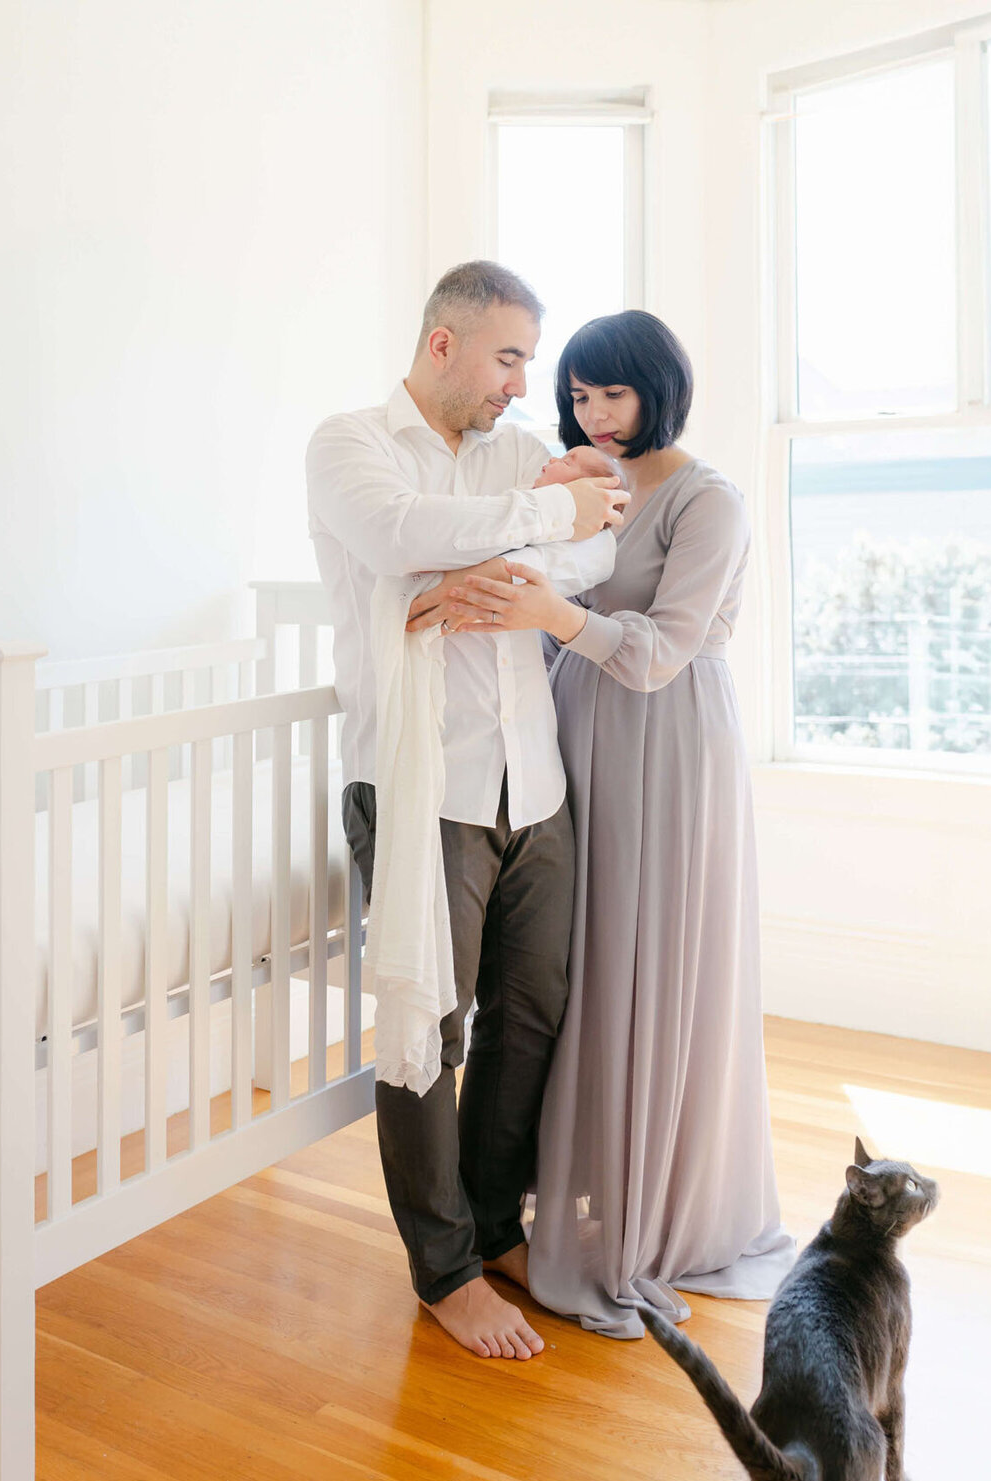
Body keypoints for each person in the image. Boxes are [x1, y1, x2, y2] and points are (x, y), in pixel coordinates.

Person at [434, 309, 797, 1338]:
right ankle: (556, 1191)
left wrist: (549, 615)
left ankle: (653, 1202)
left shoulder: (707, 500)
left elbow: (661, 651)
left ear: (659, 389)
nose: (594, 413)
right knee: (579, 969)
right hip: (572, 737)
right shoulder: (588, 487)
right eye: (580, 396)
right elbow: (549, 613)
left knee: (658, 960)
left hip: (668, 742)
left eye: (614, 394)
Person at [304, 262, 628, 1360]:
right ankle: (443, 1270)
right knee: (427, 1029)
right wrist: (542, 519)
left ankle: (495, 1229)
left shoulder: (513, 450)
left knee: (529, 1013)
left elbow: (600, 542)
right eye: (509, 359)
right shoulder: (347, 444)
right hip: (420, 786)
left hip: (531, 781)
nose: (522, 384)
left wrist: (499, 561)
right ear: (444, 343)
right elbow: (400, 534)